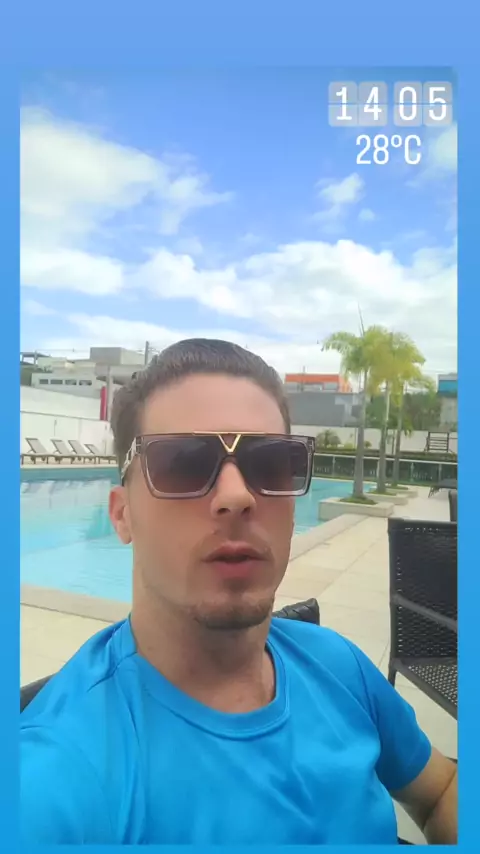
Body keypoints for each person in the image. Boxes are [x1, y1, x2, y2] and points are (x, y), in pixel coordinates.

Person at [20, 338, 457, 845]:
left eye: (270, 463)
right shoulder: (56, 777)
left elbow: (441, 789)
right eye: (183, 463)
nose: (236, 495)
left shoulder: (338, 664)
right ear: (122, 515)